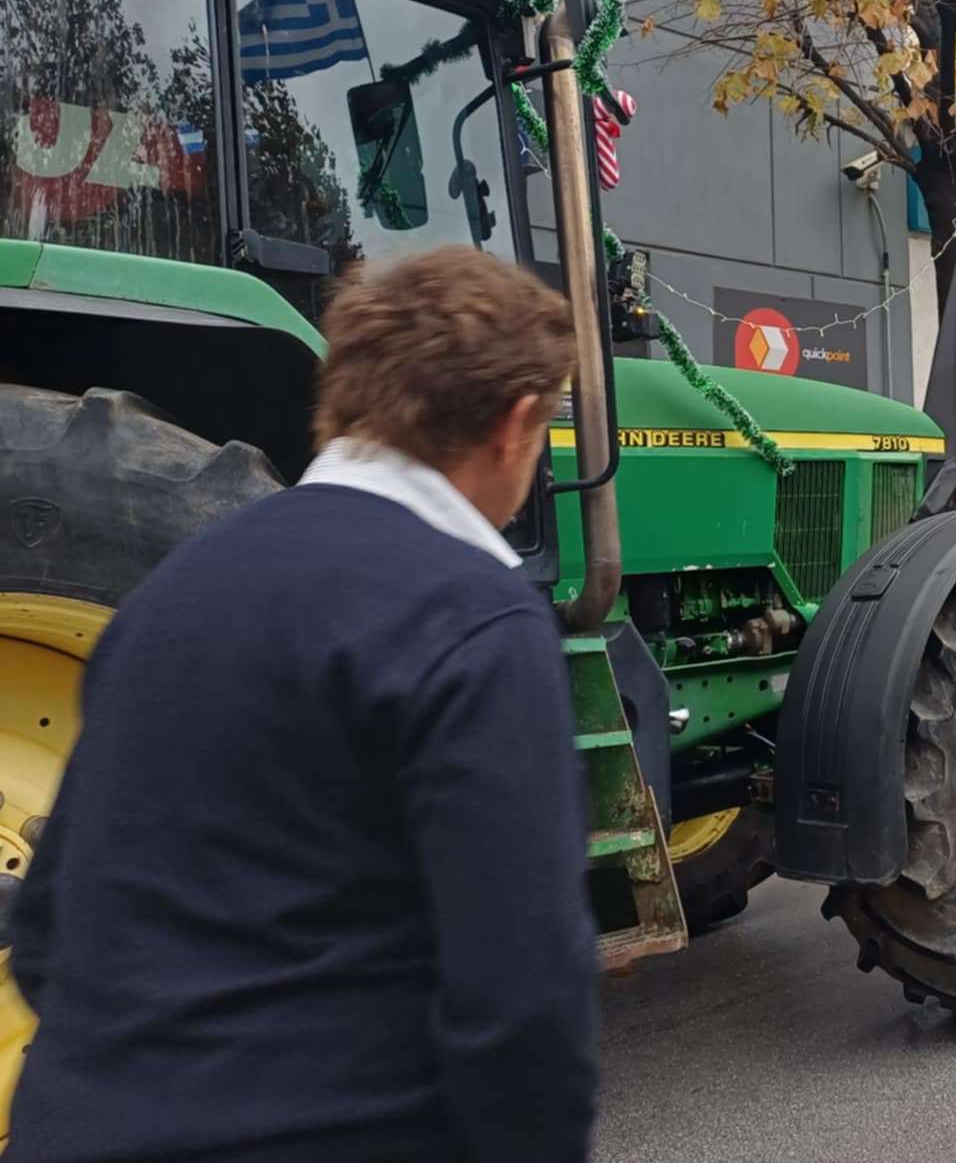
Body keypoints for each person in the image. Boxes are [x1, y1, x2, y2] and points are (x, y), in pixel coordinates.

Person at [9, 248, 598, 1163]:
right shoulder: (470, 614)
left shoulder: (167, 597)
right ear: (516, 424)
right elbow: (521, 1005)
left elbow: (48, 929)